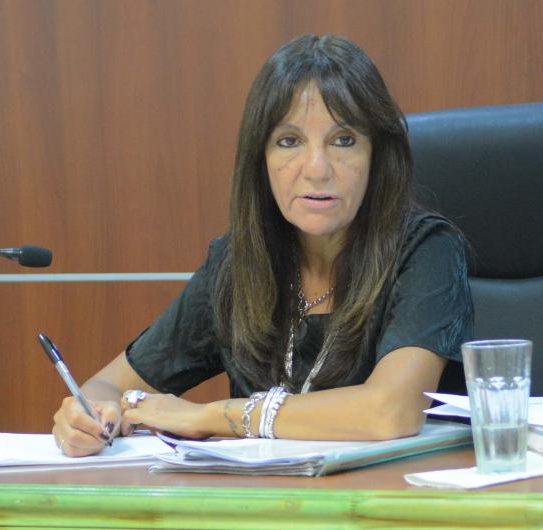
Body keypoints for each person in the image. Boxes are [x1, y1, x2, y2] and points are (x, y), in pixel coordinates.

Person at [52, 34, 473, 456]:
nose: (317, 169)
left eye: (343, 140)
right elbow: (107, 386)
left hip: (386, 495)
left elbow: (390, 411)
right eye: (289, 141)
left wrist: (211, 416)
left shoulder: (426, 249)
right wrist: (89, 415)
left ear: (377, 156)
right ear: (261, 160)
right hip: (262, 494)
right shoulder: (236, 265)